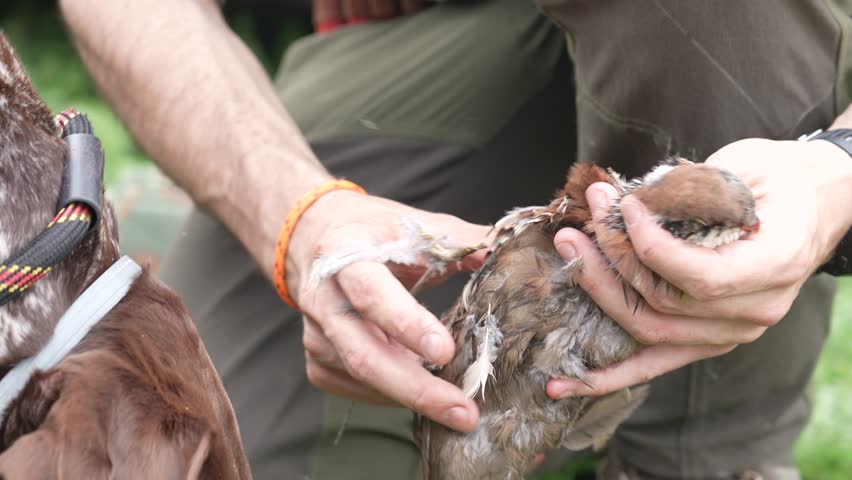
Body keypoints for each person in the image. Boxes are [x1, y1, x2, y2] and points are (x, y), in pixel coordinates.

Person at [59, 0, 852, 479]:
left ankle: (702, 450)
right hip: (426, 48)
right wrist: (297, 221)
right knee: (186, 452)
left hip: (755, 67)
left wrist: (835, 172)